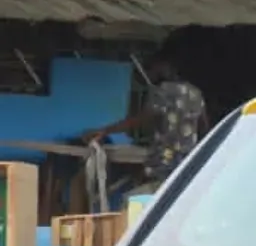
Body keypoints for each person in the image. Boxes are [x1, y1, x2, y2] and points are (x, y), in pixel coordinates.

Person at [83, 50, 209, 194]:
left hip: (164, 162)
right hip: (188, 161)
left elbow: (141, 119)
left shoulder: (164, 90)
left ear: (164, 66)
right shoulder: (196, 92)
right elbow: (204, 126)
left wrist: (105, 131)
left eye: (153, 68)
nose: (150, 73)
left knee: (136, 199)